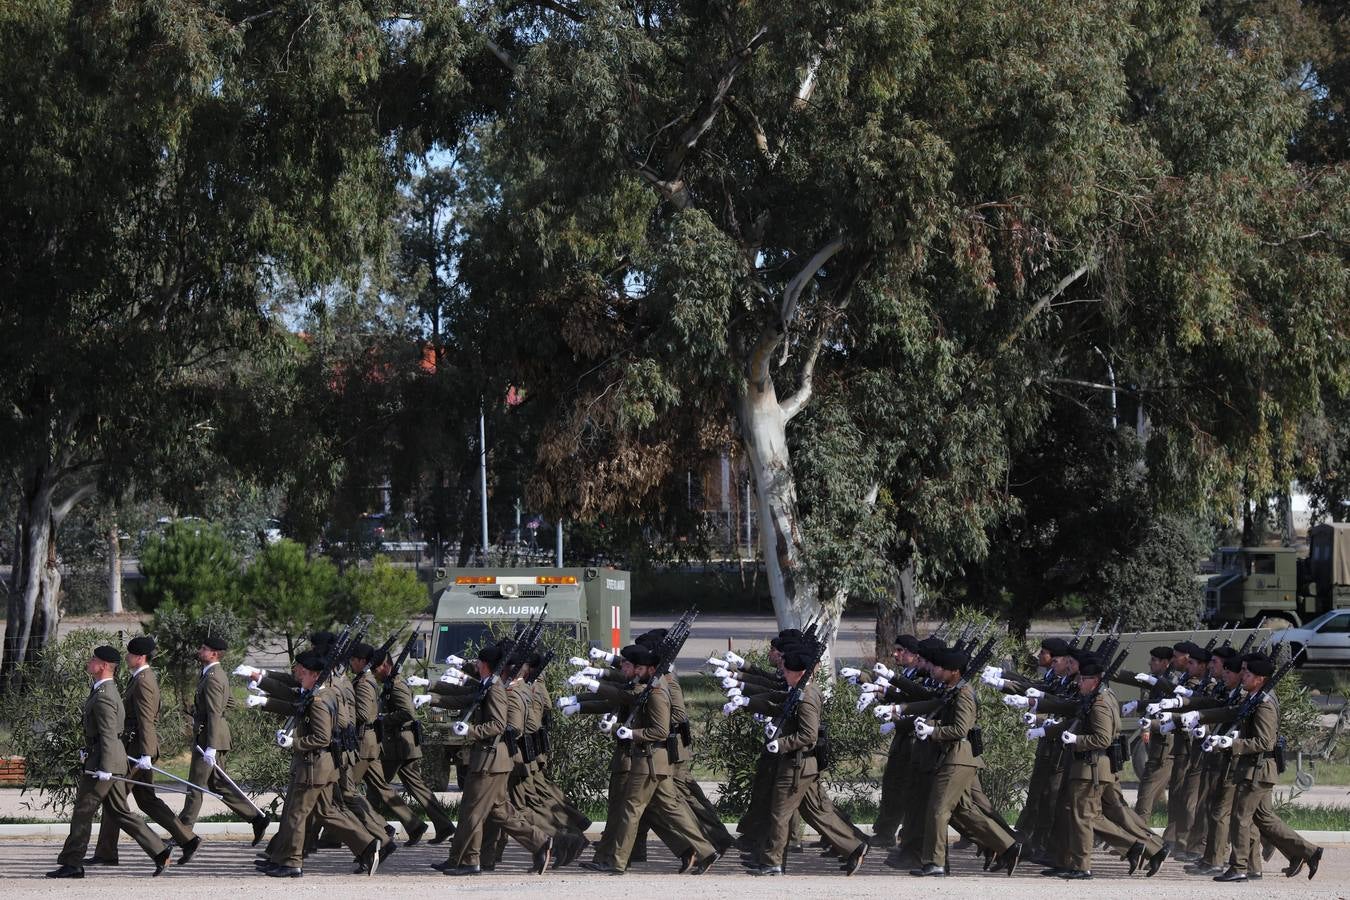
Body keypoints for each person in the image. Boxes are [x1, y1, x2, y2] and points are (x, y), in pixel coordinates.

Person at [46, 645, 172, 879]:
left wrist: (103, 767)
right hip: (111, 759)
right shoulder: (104, 690)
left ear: (103, 666)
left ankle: (73, 863)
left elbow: (106, 734)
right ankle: (160, 851)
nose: (89, 661)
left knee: (83, 810)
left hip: (104, 762)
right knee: (120, 812)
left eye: (93, 659)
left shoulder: (104, 695)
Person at [257, 650, 382, 878]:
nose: (298, 675)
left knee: (296, 814)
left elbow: (322, 737)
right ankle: (367, 844)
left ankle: (292, 862)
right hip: (323, 766)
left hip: (314, 766)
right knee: (327, 811)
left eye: (303, 672)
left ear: (315, 675)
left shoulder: (319, 701)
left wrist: (293, 743)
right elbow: (296, 707)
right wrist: (266, 700)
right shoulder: (321, 694)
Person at [89, 636, 201, 867]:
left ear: (139, 657)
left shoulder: (144, 681)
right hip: (137, 748)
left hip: (138, 750)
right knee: (147, 801)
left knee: (114, 800)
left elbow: (146, 720)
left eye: (130, 654)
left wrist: (147, 755)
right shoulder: (139, 678)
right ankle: (188, 839)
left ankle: (107, 853)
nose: (126, 657)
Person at [178, 634, 269, 844]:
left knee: (195, 787)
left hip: (210, 740)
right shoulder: (213, 674)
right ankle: (256, 818)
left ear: (214, 653)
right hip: (214, 736)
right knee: (219, 784)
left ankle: (182, 833)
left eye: (203, 648)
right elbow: (228, 704)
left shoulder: (213, 677)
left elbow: (214, 713)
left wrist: (210, 746)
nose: (199, 651)